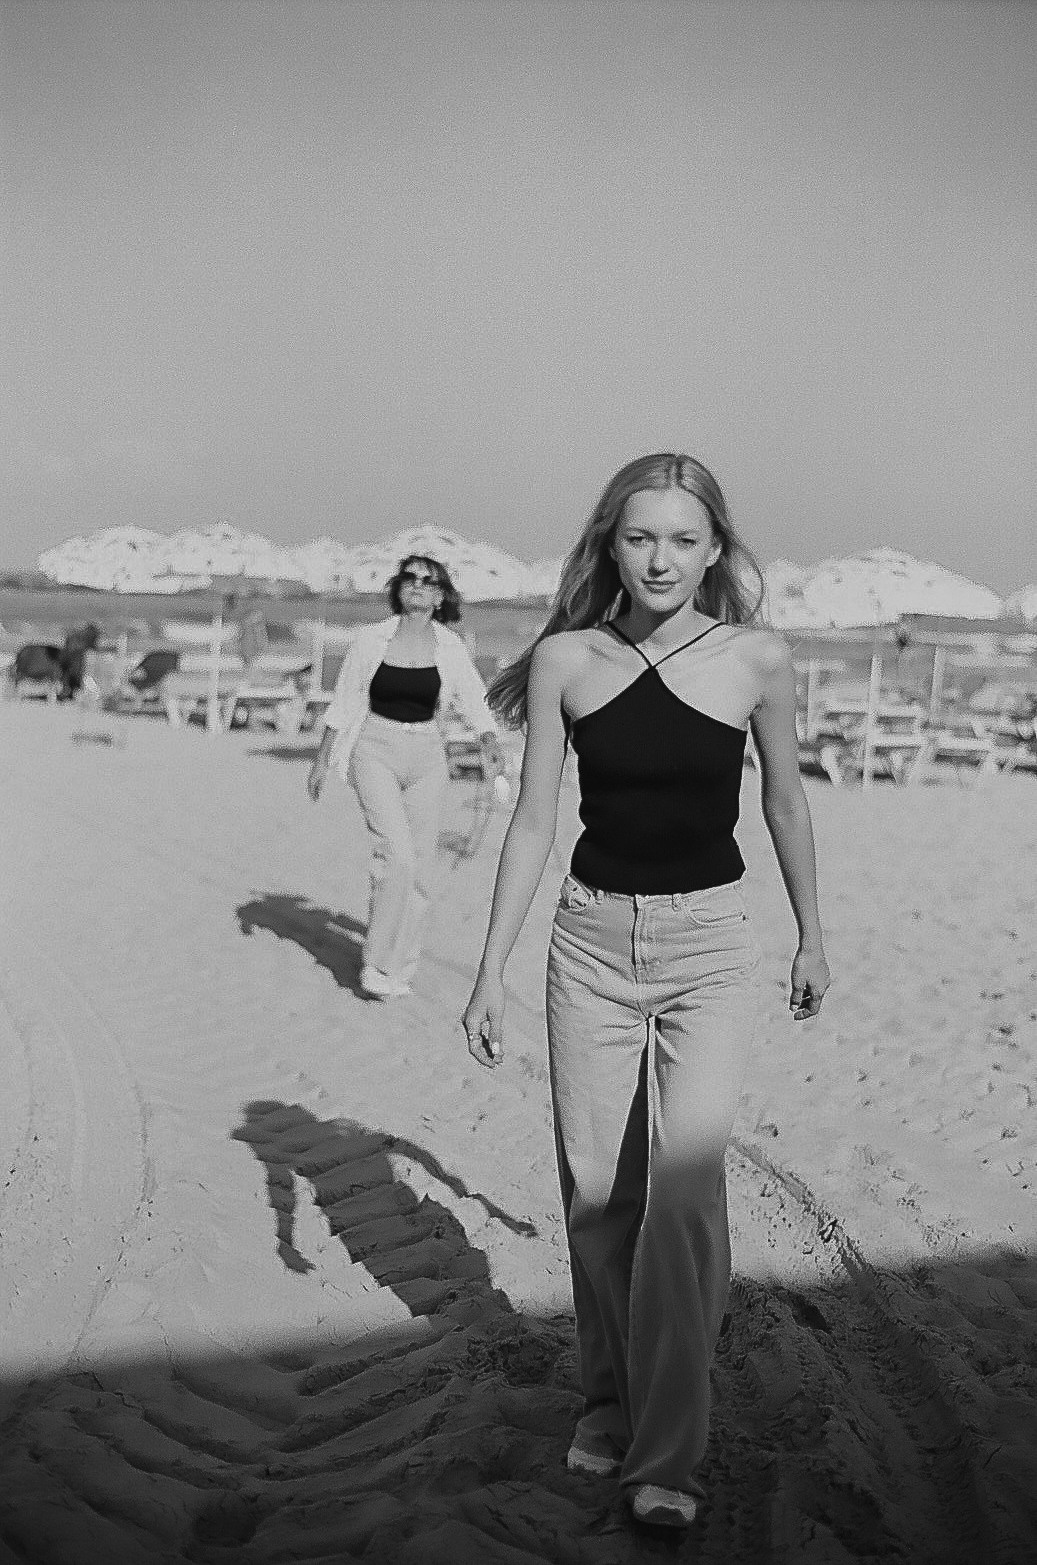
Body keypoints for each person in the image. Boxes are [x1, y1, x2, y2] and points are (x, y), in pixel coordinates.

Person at [462, 453, 830, 1530]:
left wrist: (811, 935)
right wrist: (489, 964)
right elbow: (535, 817)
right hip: (587, 943)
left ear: (714, 549)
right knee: (597, 1197)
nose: (659, 558)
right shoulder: (565, 659)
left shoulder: (757, 657)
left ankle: (665, 1454)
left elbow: (786, 801)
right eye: (638, 537)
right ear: (607, 546)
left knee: (680, 1195)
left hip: (711, 945)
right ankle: (608, 1403)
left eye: (681, 538)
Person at [308, 554, 505, 999]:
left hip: (428, 755)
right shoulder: (370, 640)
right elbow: (344, 701)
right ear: (398, 588)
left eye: (427, 581)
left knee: (419, 869)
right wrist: (321, 761)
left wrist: (488, 738)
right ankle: (376, 965)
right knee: (395, 855)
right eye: (409, 577)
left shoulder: (450, 646)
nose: (417, 584)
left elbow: (473, 698)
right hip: (374, 748)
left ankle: (399, 967)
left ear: (440, 597)